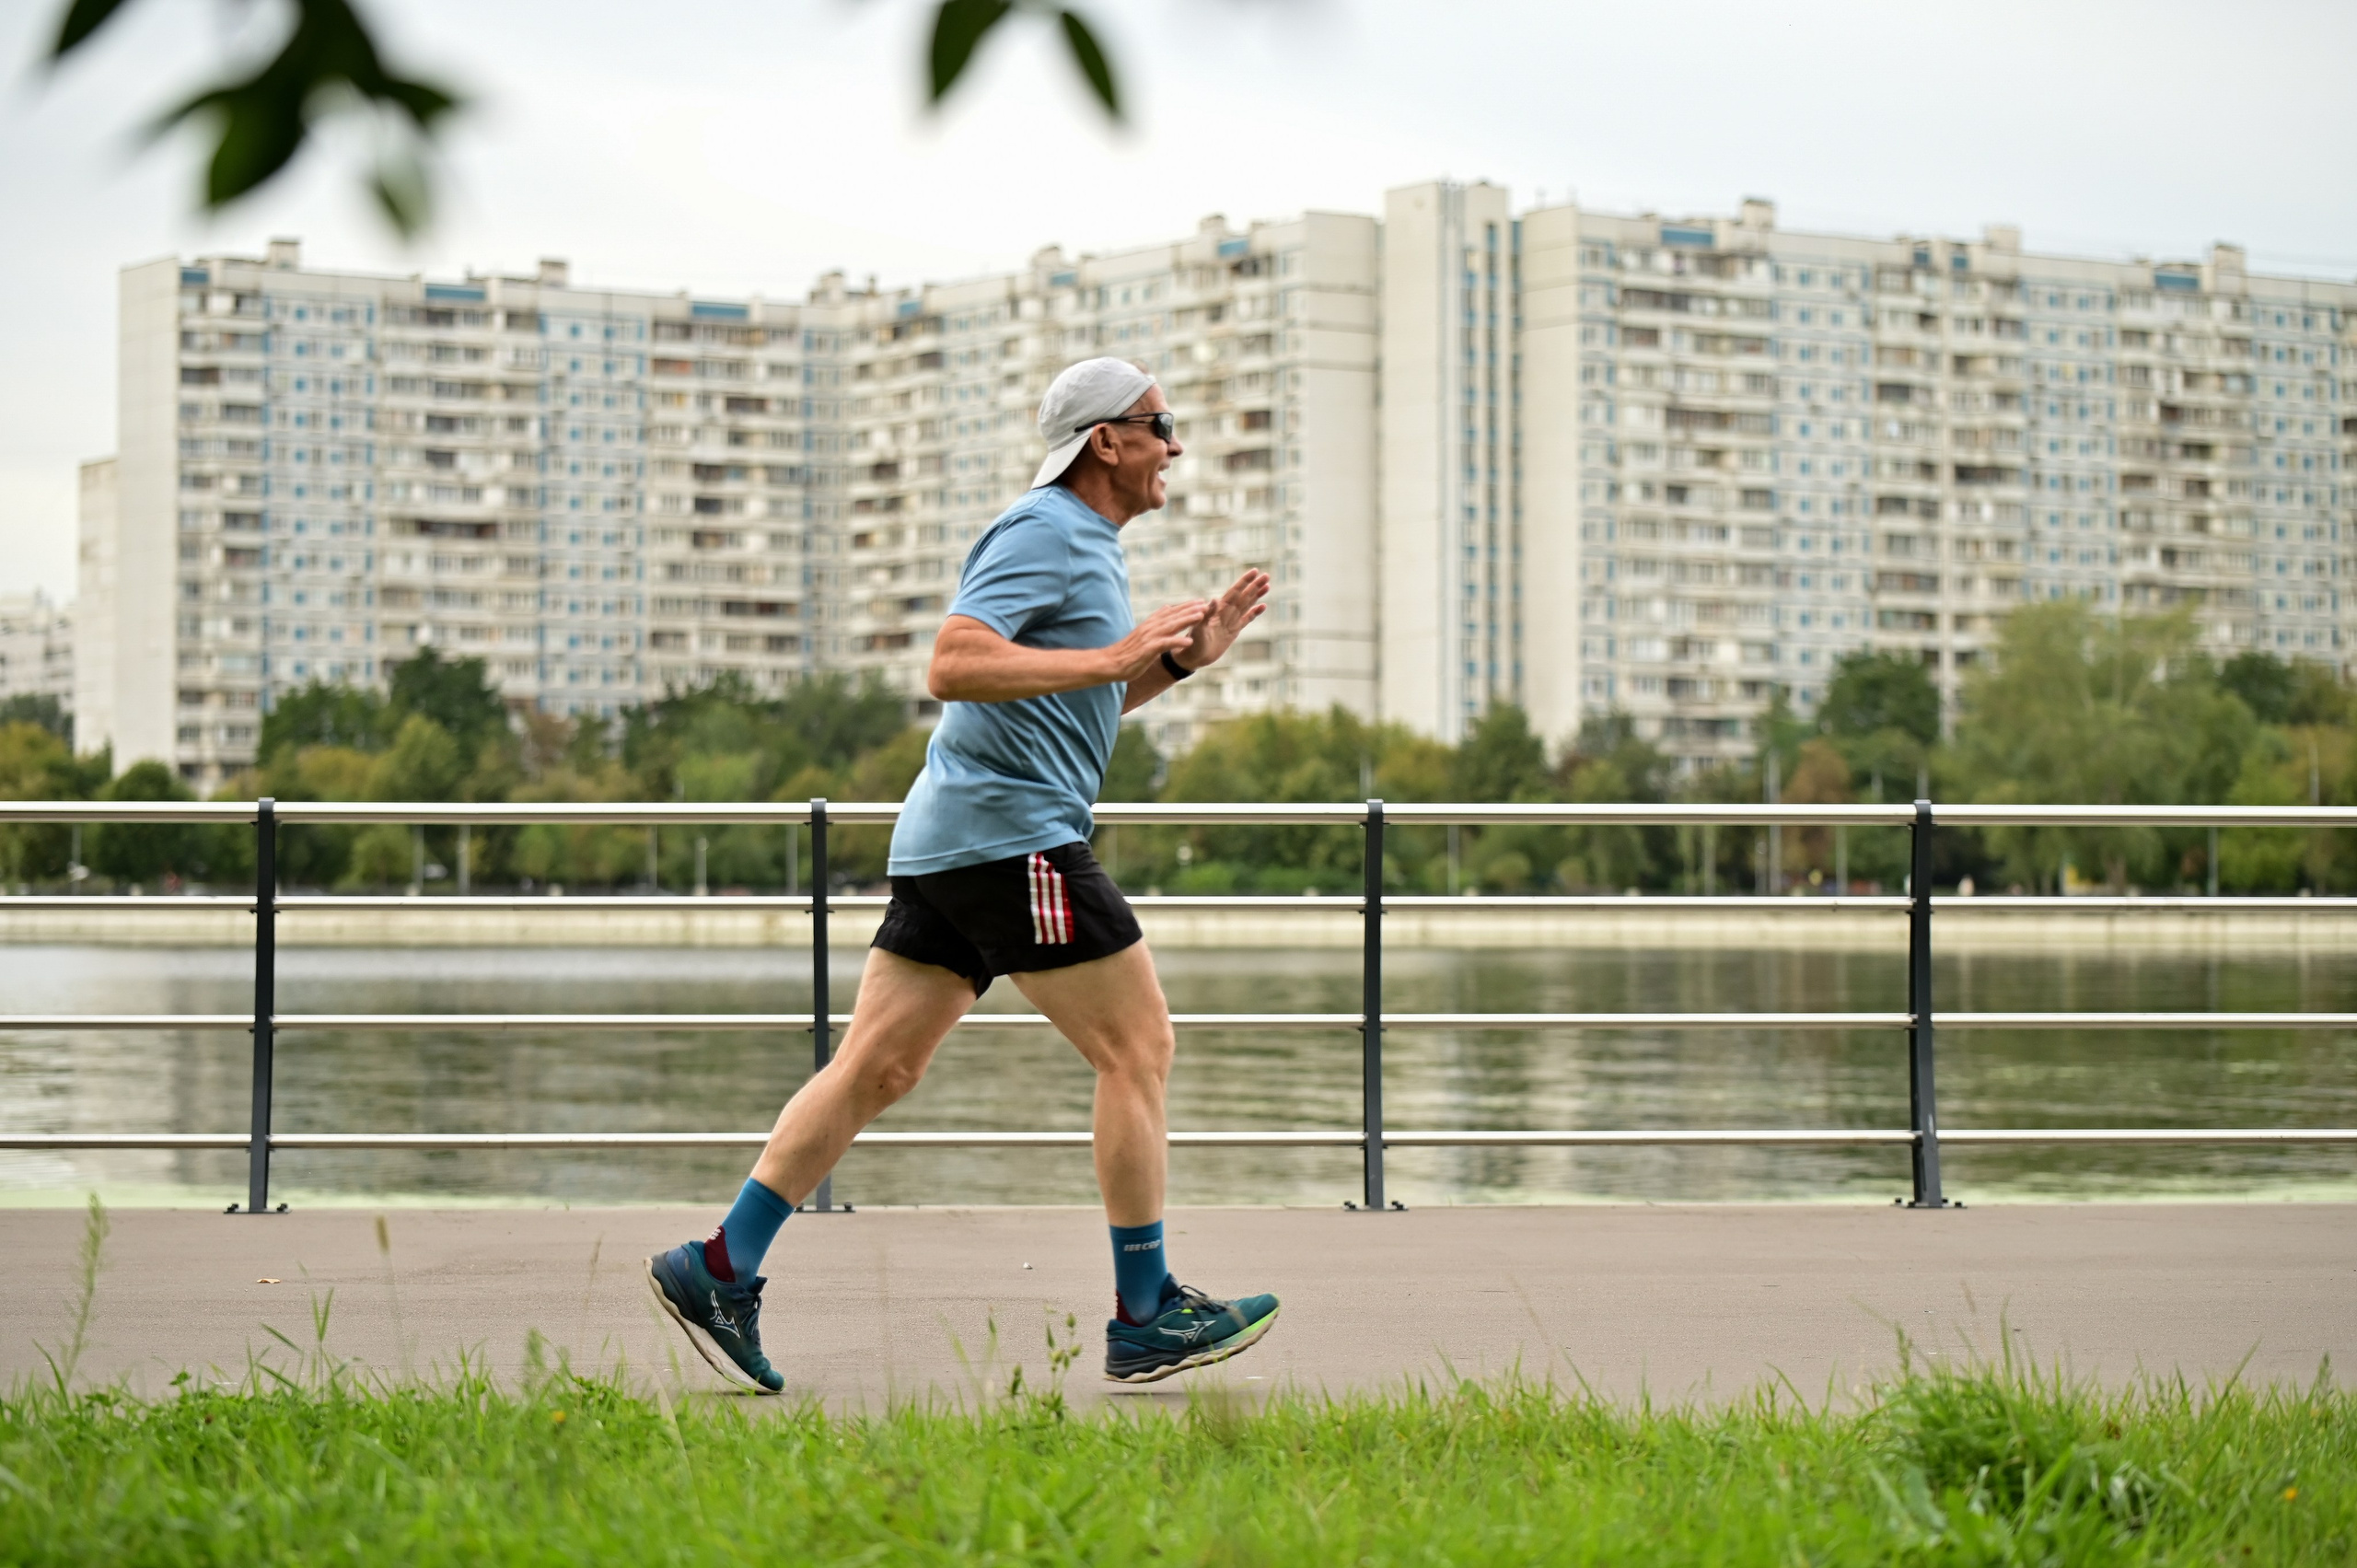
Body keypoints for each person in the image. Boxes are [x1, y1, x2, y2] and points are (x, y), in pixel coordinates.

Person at [647, 357, 1279, 1391]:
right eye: (1165, 425)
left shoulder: (1087, 546)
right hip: (1011, 836)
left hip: (955, 838)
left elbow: (1064, 702)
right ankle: (1146, 1309)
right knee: (1139, 1046)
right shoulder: (1045, 529)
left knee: (877, 1068)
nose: (1177, 446)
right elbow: (953, 661)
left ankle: (718, 1264)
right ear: (1105, 440)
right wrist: (1119, 653)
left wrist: (1172, 665)